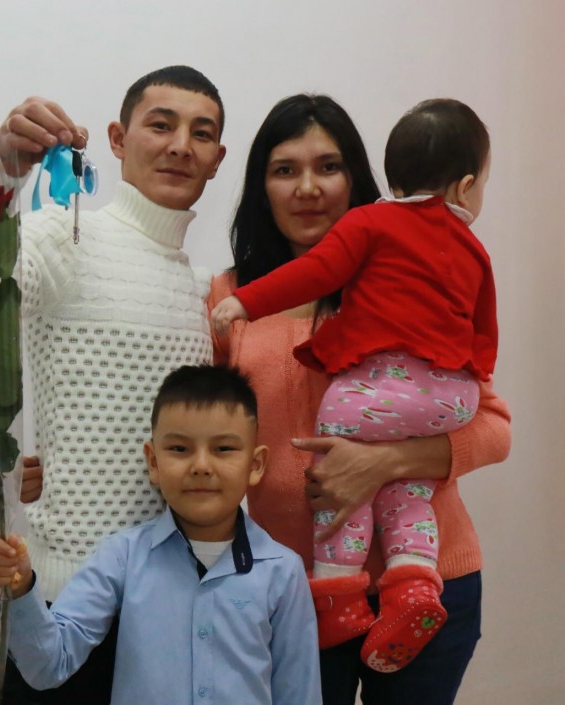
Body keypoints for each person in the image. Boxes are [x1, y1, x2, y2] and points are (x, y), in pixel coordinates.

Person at [0, 65, 226, 704]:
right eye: (161, 125)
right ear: (117, 138)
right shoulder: (65, 235)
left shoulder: (198, 285)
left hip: (170, 611)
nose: (180, 146)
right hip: (62, 605)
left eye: (201, 133)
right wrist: (1, 175)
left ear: (217, 158)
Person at [207, 94, 511, 705]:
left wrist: (383, 463)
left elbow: (493, 430)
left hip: (433, 582)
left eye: (329, 166)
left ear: (360, 179)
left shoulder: (407, 274)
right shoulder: (227, 297)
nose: (308, 188)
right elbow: (207, 437)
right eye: (285, 169)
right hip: (294, 593)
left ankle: (404, 578)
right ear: (261, 185)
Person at [0, 364, 322, 705]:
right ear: (153, 462)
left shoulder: (283, 572)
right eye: (180, 449)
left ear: (255, 465)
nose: (201, 466)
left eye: (223, 449)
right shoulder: (122, 557)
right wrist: (20, 587)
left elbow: (300, 693)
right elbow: (48, 665)